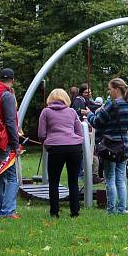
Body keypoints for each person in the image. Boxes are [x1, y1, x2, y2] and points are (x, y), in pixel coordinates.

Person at [89, 78, 128, 214]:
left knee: (109, 178)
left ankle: (111, 210)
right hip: (123, 147)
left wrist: (90, 114)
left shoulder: (112, 105)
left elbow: (97, 122)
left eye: (110, 89)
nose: (108, 92)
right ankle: (122, 209)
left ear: (117, 89)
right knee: (121, 179)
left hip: (109, 147)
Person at [38, 88, 84, 218]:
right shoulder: (72, 112)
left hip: (55, 148)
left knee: (54, 181)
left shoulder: (46, 112)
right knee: (73, 181)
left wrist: (47, 143)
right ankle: (75, 212)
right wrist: (76, 141)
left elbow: (41, 133)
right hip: (74, 148)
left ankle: (54, 212)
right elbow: (79, 131)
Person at [0, 68, 21, 218]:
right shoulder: (6, 95)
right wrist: (15, 144)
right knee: (11, 177)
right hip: (4, 141)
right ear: (13, 80)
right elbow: (9, 121)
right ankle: (8, 211)